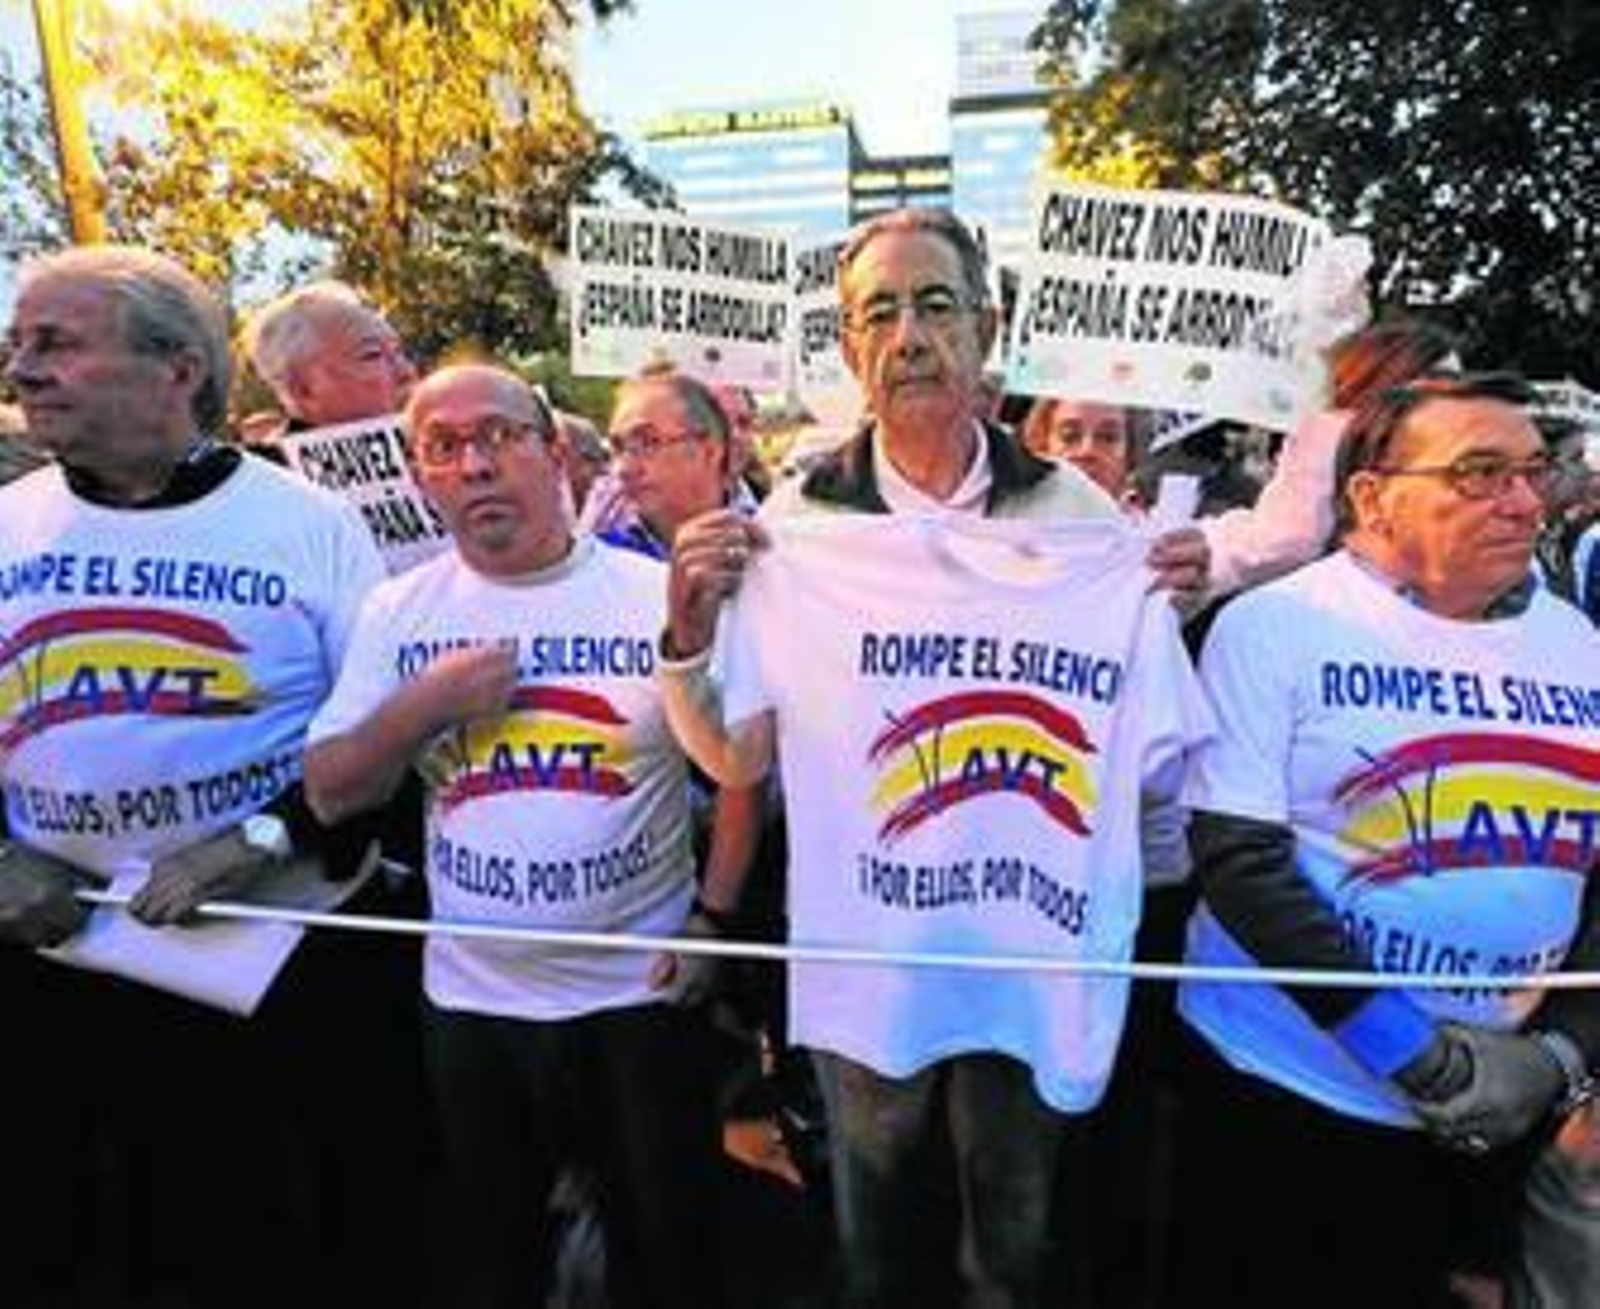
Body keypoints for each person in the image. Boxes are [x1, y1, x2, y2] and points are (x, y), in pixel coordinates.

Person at [657, 206, 1210, 1308]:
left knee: (1014, 1241)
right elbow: (734, 755)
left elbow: (1148, 762)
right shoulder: (796, 524)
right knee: (877, 1244)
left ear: (986, 327)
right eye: (880, 313)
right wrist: (685, 634)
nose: (909, 334)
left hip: (1026, 951)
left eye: (935, 305)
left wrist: (1164, 606)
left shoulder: (1079, 515)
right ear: (852, 350)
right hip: (873, 952)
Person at [0, 244, 387, 1307]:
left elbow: (378, 745)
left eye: (57, 344)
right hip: (47, 958)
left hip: (265, 963)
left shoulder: (310, 524)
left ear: (177, 368)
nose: (22, 368)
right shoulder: (7, 523)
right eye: (19, 344)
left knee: (245, 1244)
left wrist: (258, 839)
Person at [1170, 371, 1600, 1308]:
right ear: (1372, 496)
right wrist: (1410, 1048)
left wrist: (1556, 1058)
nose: (1526, 499)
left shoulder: (1582, 645)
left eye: (1534, 469)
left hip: (1497, 1109)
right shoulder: (1277, 625)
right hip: (1286, 1099)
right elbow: (1242, 865)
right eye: (1479, 473)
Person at [304, 363, 726, 1309]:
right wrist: (424, 705)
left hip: (639, 992)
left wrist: (712, 917)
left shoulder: (647, 593)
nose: (475, 464)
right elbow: (332, 793)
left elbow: (740, 772)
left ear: (555, 451)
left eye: (498, 435)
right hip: (476, 1000)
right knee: (500, 1254)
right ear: (420, 477)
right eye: (443, 448)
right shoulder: (397, 610)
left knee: (669, 1251)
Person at [239, 277, 417, 432]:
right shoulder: (265, 469)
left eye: (399, 352)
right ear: (303, 390)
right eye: (373, 355)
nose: (406, 373)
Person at [1021, 396, 1143, 507]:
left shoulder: (1149, 527)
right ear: (1043, 445)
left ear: (1129, 454)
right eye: (1070, 436)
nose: (1087, 450)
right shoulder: (1011, 517)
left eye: (1108, 437)